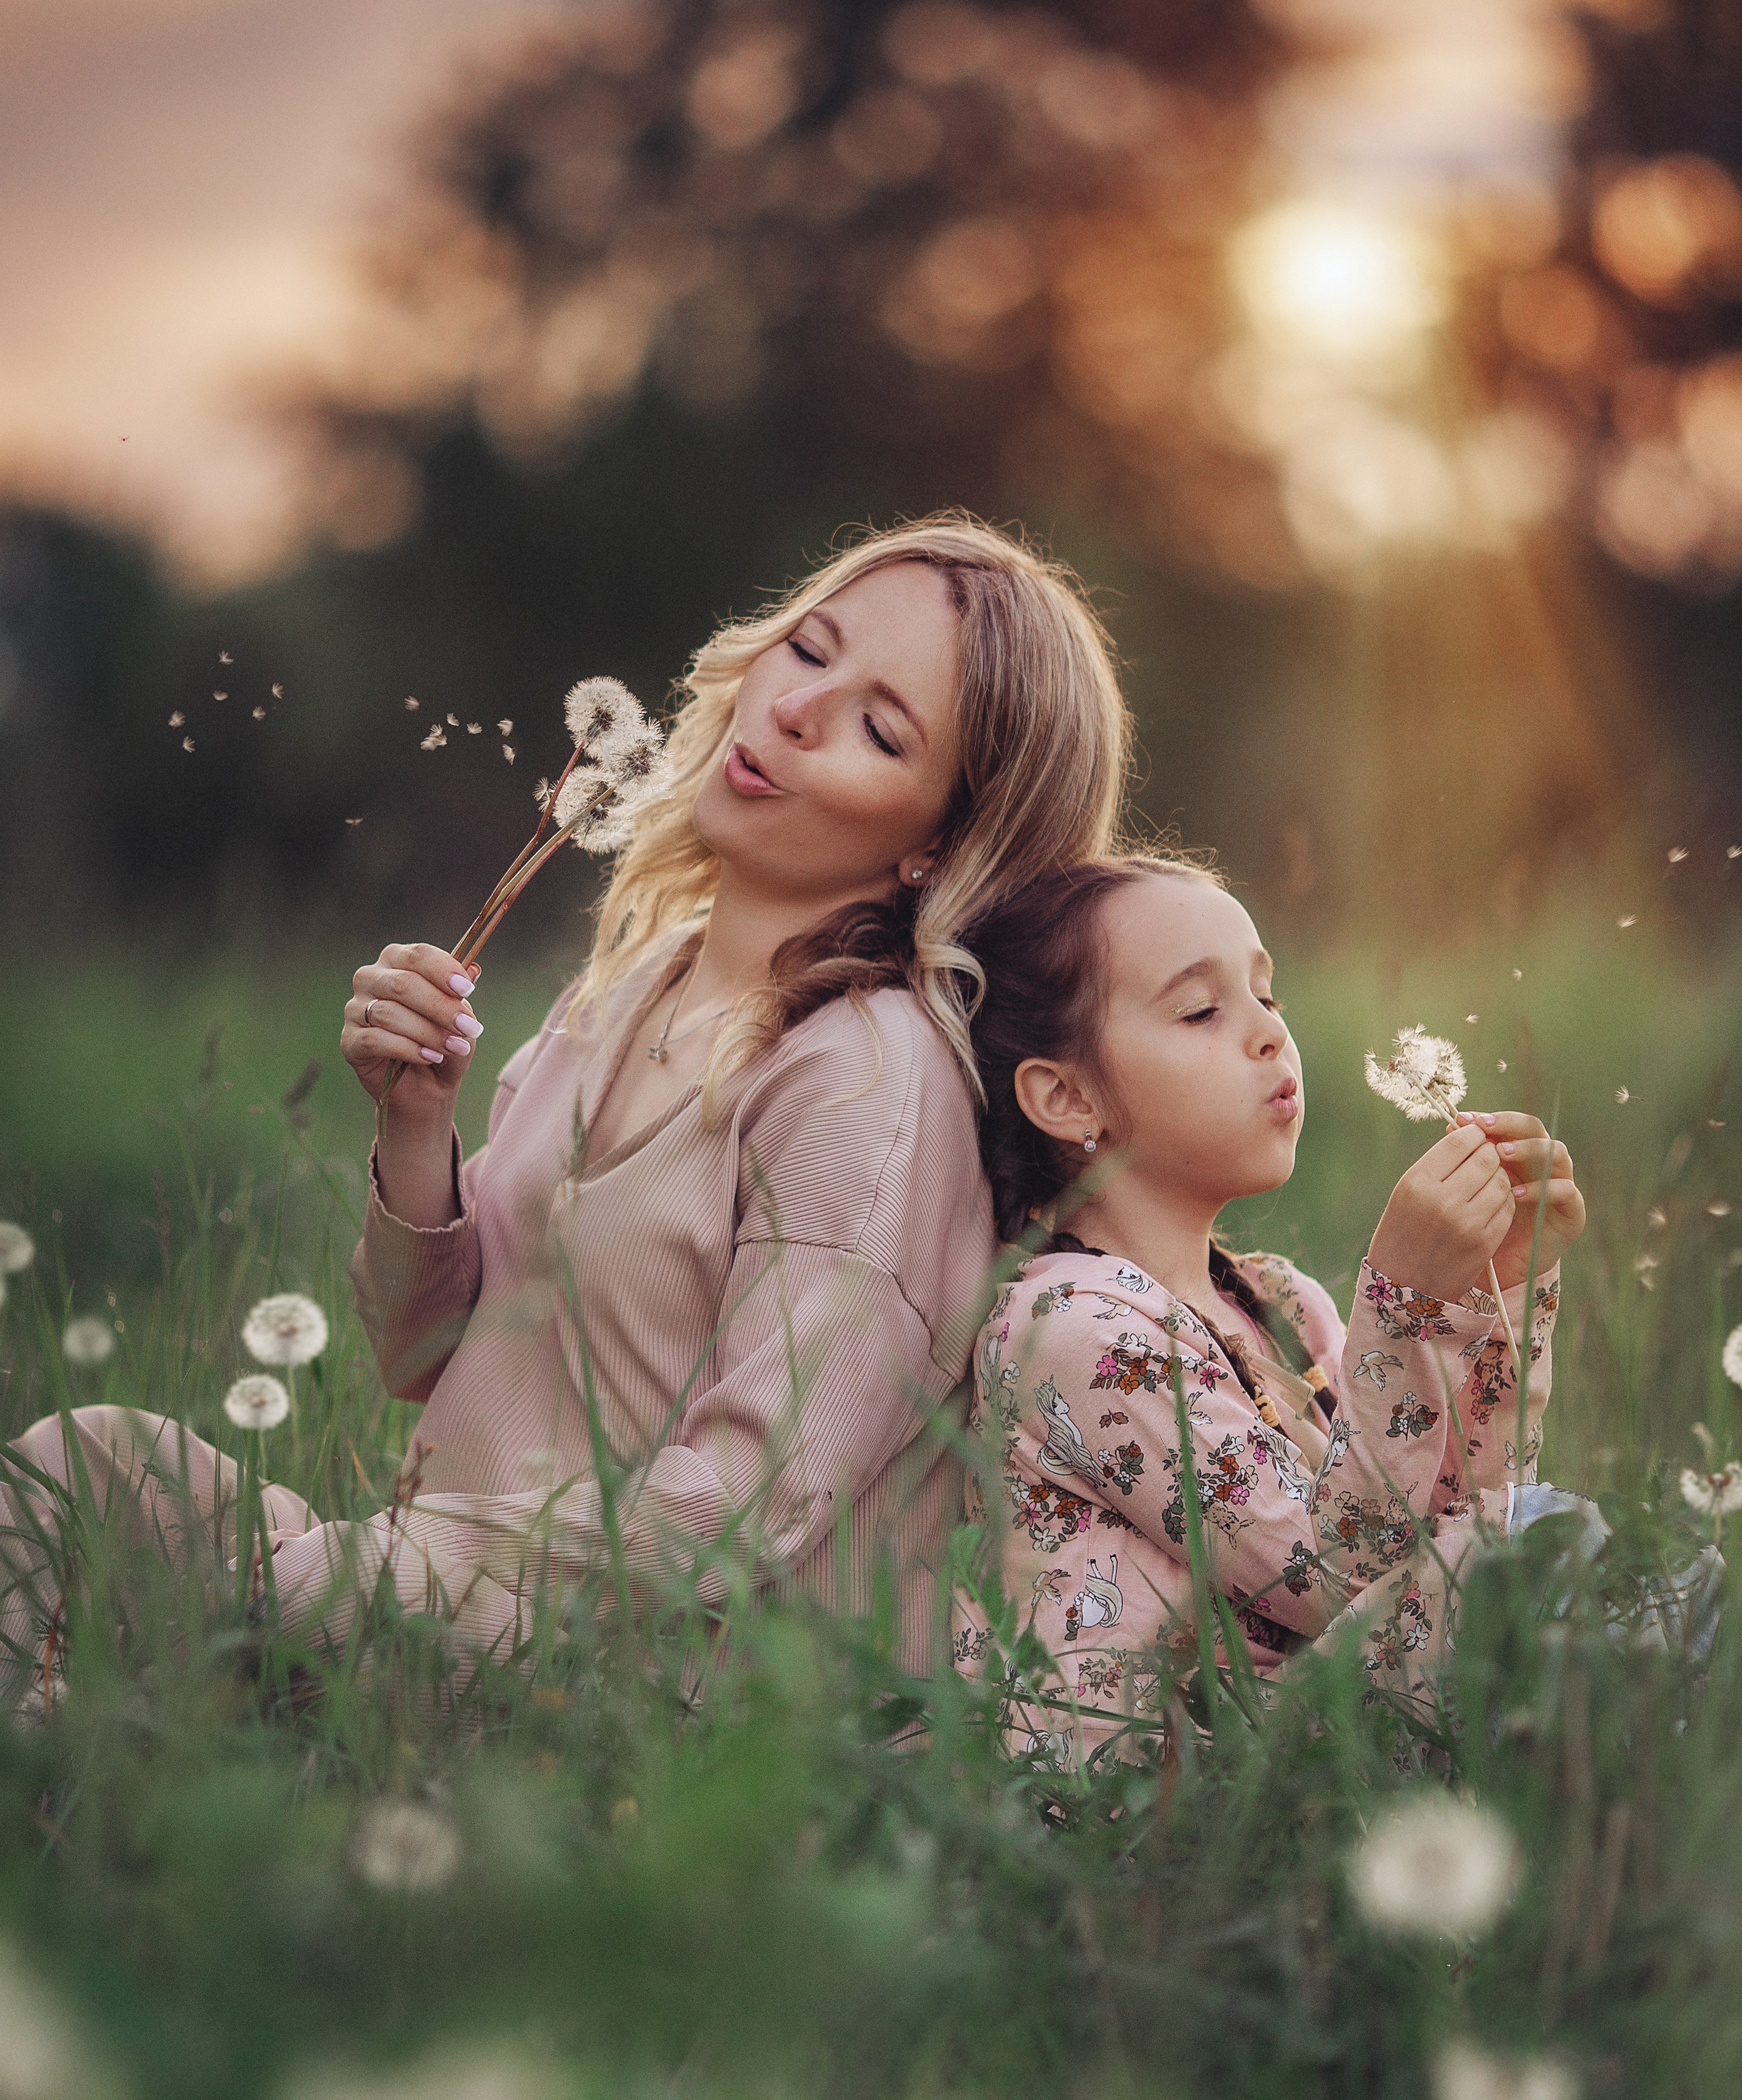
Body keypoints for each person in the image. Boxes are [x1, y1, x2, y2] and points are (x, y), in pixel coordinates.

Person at [3, 517, 1132, 1700]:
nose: (796, 707)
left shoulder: (867, 1079)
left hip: (627, 1703)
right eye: (810, 650)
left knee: (108, 1684)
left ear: (944, 843)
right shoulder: (634, 983)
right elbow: (417, 1356)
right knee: (75, 1470)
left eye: (879, 727)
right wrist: (416, 1125)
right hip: (418, 1609)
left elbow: (736, 1522)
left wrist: (314, 1592)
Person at [951, 855, 1584, 1765]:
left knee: (1552, 1560)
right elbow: (1329, 1577)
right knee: (1549, 1565)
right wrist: (1401, 1300)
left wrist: (1496, 1296)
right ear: (1068, 1097)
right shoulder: (1070, 1327)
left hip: (1309, 1751)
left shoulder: (1282, 1305)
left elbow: (1464, 1518)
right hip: (1173, 1814)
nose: (1268, 1037)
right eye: (1203, 1010)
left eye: (1269, 998)